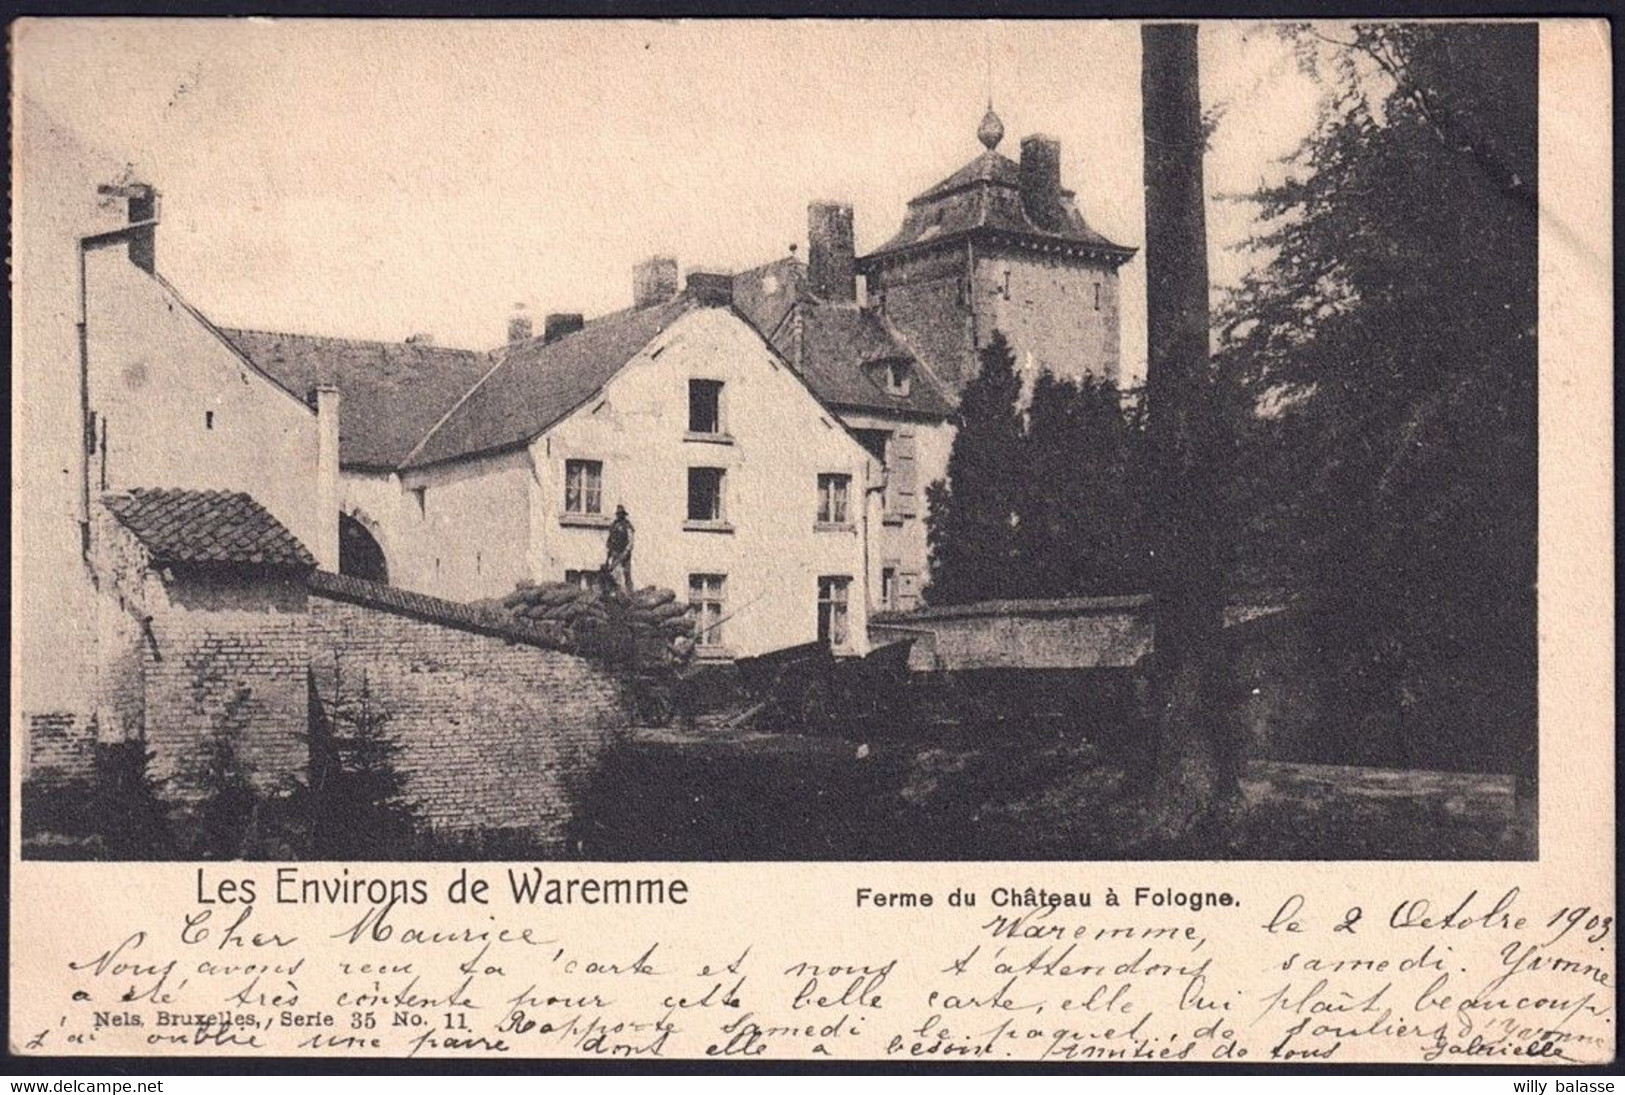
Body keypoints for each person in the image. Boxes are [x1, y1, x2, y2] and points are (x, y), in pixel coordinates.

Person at [605, 504, 635, 591]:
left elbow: (630, 541)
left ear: (624, 515)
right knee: (614, 573)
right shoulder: (614, 525)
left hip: (624, 553)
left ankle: (629, 592)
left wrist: (626, 552)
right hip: (615, 552)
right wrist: (609, 553)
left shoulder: (627, 526)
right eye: (618, 514)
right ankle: (616, 591)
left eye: (621, 514)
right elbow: (610, 539)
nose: (619, 515)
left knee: (626, 573)